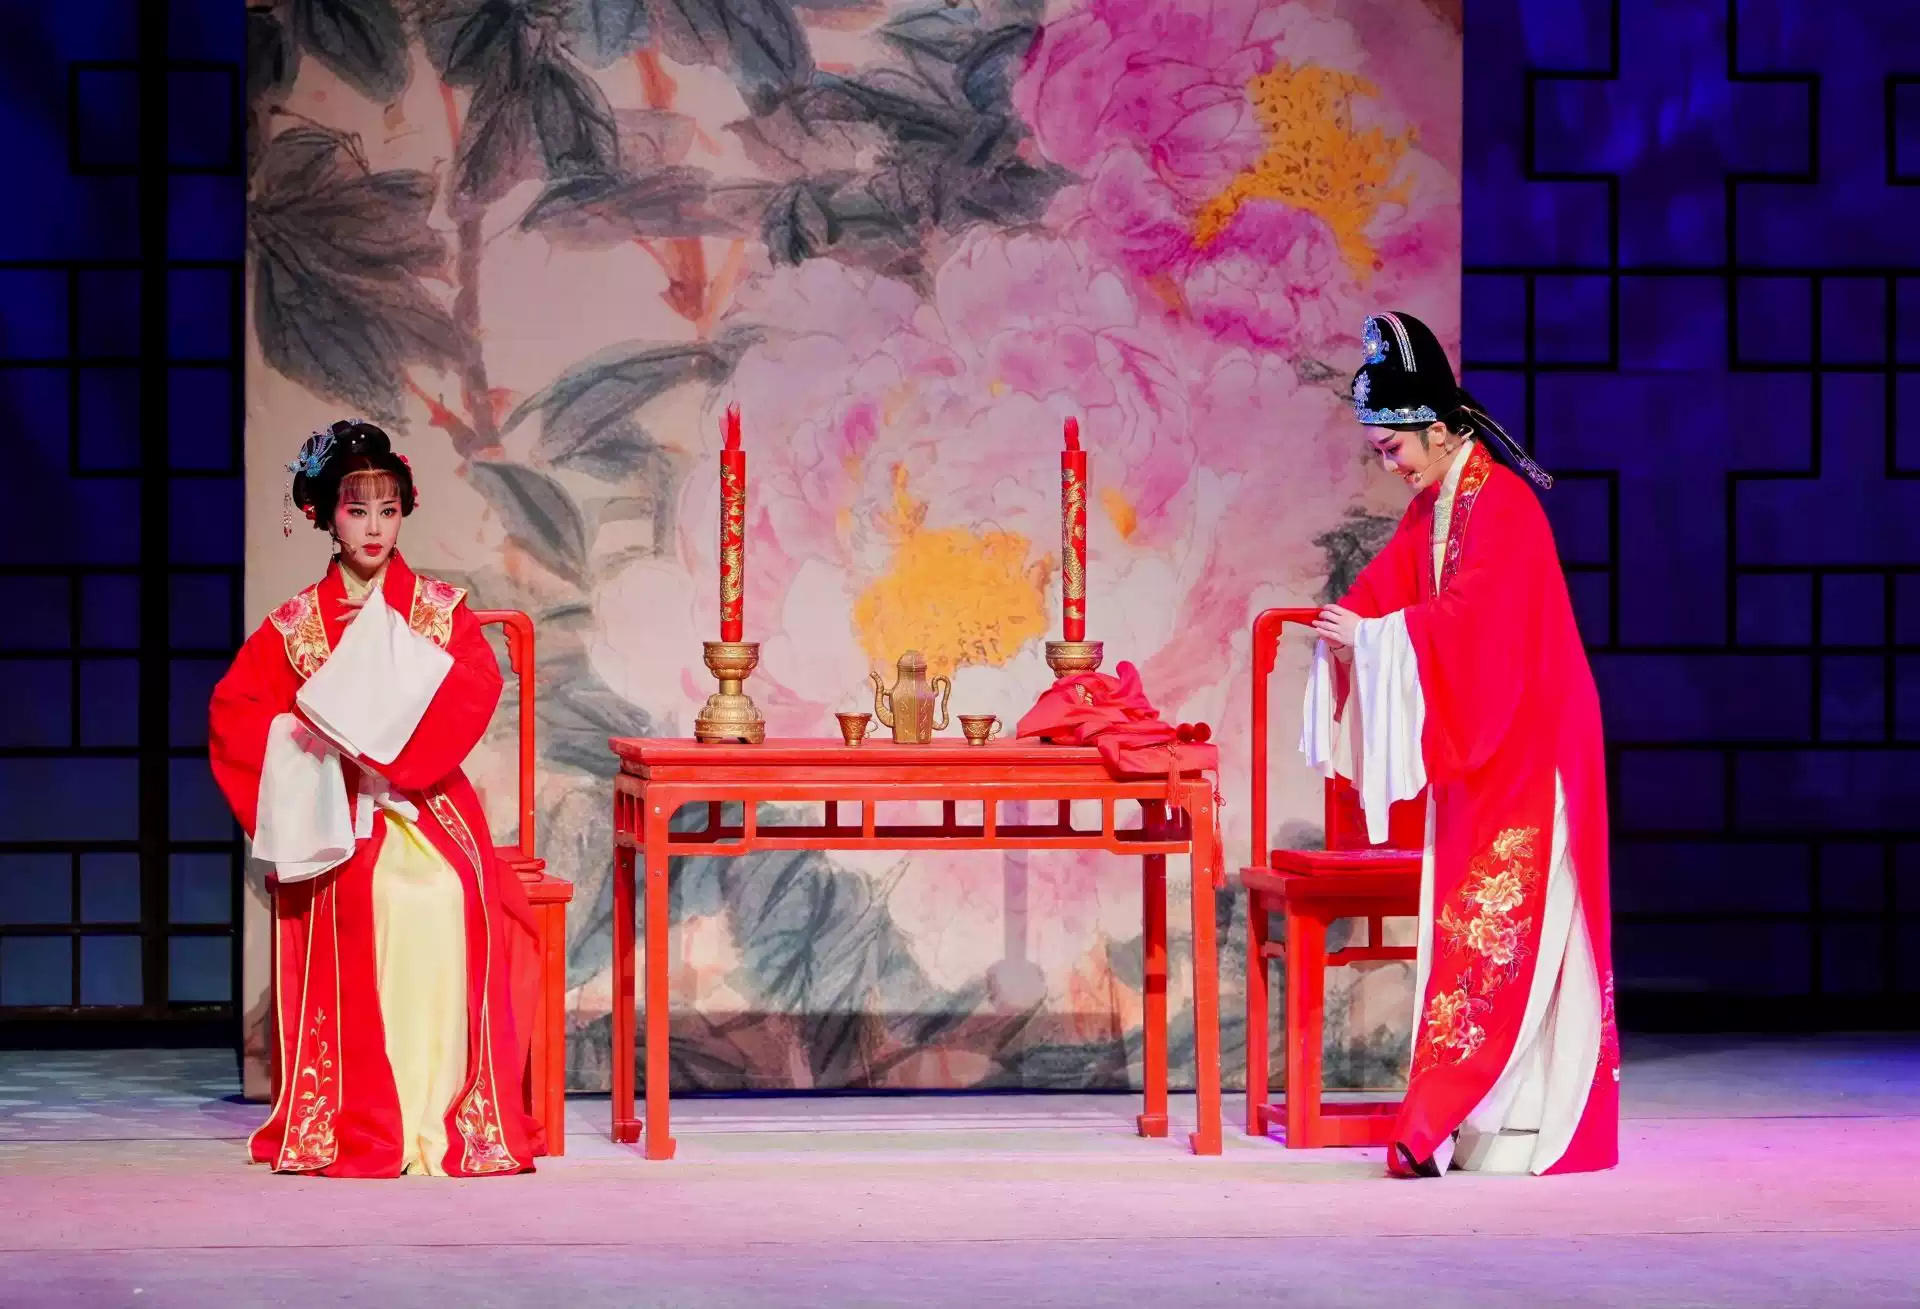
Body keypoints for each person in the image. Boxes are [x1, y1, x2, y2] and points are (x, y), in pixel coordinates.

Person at [1304, 311, 1617, 1177]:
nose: (1390, 465)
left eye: (1394, 449)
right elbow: (1386, 592)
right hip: (1485, 747)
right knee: (1468, 929)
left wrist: (1377, 639)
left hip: (1533, 742)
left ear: (1437, 430)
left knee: (1505, 928)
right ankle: (1473, 1122)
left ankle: (1468, 1119)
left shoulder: (1501, 506)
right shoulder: (1438, 508)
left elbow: (1475, 624)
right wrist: (1348, 631)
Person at [209, 420, 541, 1177]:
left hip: (427, 800)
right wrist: (306, 739)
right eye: (357, 510)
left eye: (387, 511)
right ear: (328, 516)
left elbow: (474, 685)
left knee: (448, 893)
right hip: (341, 812)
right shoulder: (296, 626)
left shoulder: (439, 609)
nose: (373, 528)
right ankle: (370, 1112)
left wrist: (399, 752)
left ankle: (445, 1109)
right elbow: (235, 715)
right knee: (377, 897)